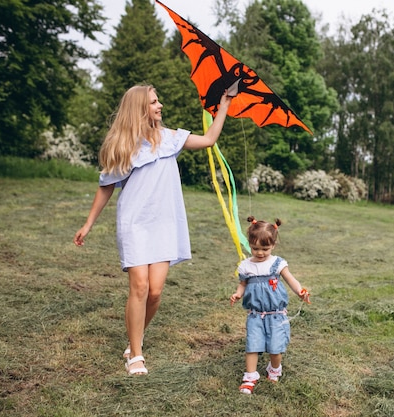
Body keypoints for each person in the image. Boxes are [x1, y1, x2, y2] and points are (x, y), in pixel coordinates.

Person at [74, 84, 233, 376]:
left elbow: (210, 139)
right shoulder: (124, 145)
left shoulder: (170, 138)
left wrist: (224, 105)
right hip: (135, 221)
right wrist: (88, 224)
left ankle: (137, 336)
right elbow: (106, 186)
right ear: (139, 109)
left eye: (158, 100)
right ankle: (135, 355)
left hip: (164, 222)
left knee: (156, 291)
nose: (160, 106)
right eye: (153, 102)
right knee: (140, 287)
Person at [230, 216, 310, 394]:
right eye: (255, 248)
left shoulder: (277, 264)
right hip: (255, 314)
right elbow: (243, 284)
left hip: (276, 314)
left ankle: (274, 369)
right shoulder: (245, 266)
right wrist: (238, 293)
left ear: (273, 245)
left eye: (264, 249)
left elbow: (291, 280)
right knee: (252, 345)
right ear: (249, 244)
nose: (259, 253)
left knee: (275, 348)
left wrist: (300, 291)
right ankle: (250, 376)